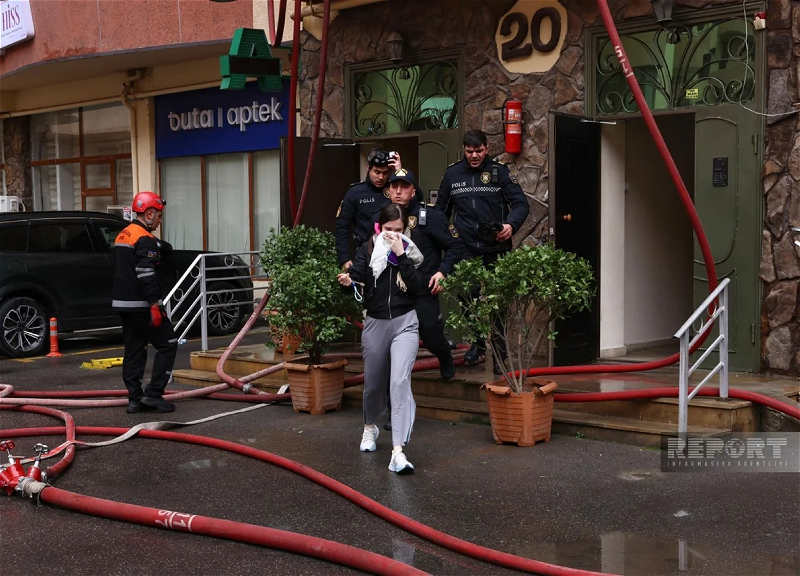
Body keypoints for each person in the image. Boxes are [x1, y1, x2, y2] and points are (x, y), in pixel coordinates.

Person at [338, 203, 424, 474]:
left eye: (399, 230)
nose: (393, 235)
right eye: (388, 229)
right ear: (379, 227)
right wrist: (347, 281)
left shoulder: (410, 249)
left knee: (399, 381)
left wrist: (401, 255)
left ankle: (398, 452)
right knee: (374, 382)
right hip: (375, 322)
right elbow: (356, 277)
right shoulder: (368, 249)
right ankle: (369, 427)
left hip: (405, 322)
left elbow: (416, 287)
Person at [435, 130, 530, 374]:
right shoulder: (453, 174)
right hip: (466, 249)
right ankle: (477, 344)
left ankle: (499, 354)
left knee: (498, 304)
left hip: (496, 248)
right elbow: (440, 213)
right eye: (469, 151)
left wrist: (510, 226)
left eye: (478, 151)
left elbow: (521, 204)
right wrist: (449, 239)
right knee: (468, 297)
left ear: (487, 148)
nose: (474, 155)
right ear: (464, 150)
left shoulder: (500, 172)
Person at [388, 168, 463, 381]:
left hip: (423, 288)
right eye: (394, 187)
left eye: (404, 187)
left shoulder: (430, 216)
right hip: (394, 290)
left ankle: (445, 359)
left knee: (431, 336)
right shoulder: (384, 216)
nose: (399, 192)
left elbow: (455, 246)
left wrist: (443, 272)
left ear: (413, 191)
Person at [112, 191, 179, 414]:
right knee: (168, 343)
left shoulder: (123, 235)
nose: (159, 221)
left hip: (124, 304)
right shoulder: (145, 239)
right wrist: (154, 305)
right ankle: (154, 394)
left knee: (134, 349)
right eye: (159, 216)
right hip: (142, 305)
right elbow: (146, 274)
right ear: (149, 214)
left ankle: (135, 399)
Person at [334, 148, 398, 270]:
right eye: (377, 172)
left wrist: (399, 171)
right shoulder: (355, 192)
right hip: (364, 253)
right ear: (369, 168)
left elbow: (415, 200)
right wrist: (344, 259)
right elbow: (342, 227)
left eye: (385, 173)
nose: (381, 177)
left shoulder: (395, 190)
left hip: (393, 251)